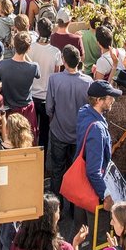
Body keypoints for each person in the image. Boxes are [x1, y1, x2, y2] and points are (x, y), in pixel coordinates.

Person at [45, 45, 92, 197]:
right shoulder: (87, 82)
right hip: (78, 135)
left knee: (57, 169)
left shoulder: (54, 79)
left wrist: (54, 119)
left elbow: (49, 108)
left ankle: (56, 204)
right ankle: (74, 205)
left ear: (64, 61)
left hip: (59, 131)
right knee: (76, 170)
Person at [77, 79, 120, 213]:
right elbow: (93, 171)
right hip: (93, 191)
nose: (113, 100)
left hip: (81, 184)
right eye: (109, 97)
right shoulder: (97, 129)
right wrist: (106, 195)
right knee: (97, 231)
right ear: (98, 100)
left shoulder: (85, 112)